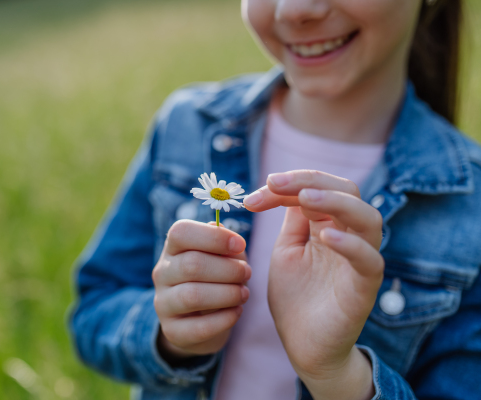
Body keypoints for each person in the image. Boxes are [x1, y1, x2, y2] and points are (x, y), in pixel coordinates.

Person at [69, 0, 481, 399]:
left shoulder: (471, 204)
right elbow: (94, 310)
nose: (294, 9)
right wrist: (169, 334)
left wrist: (339, 375)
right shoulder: (187, 125)